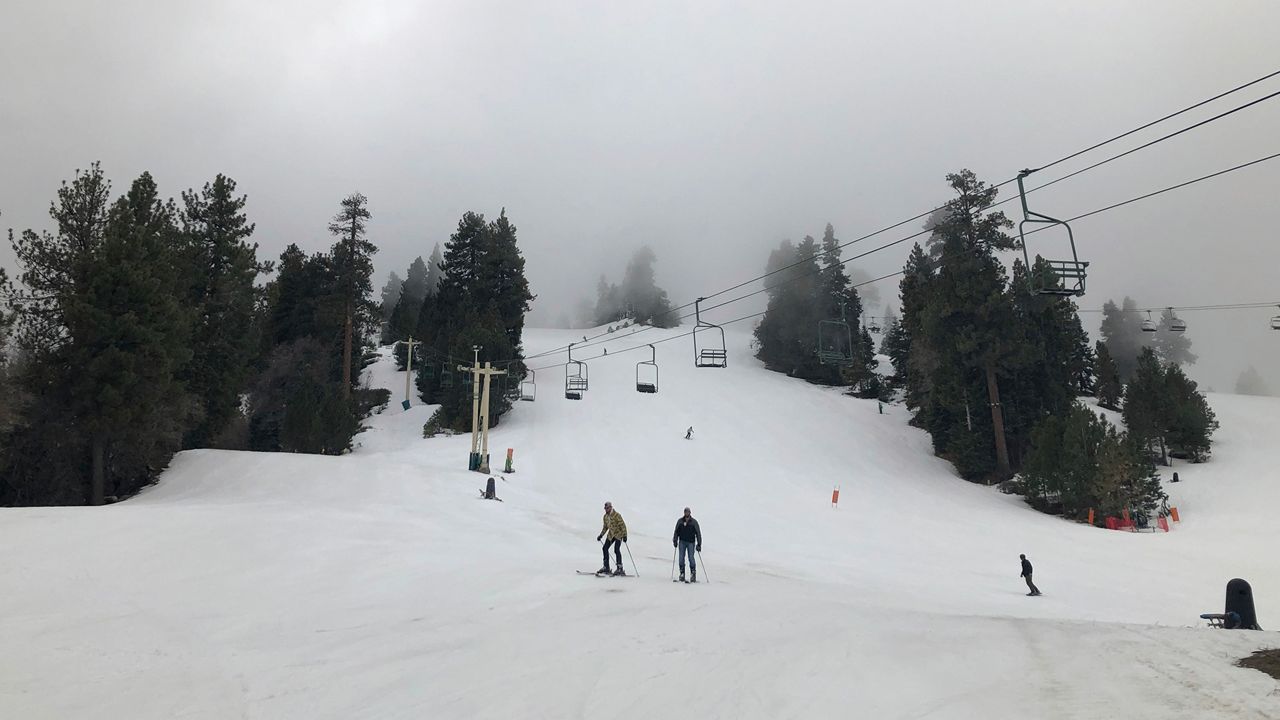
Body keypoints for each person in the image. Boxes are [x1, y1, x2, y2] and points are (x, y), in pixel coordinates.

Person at [596, 501, 628, 575]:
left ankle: (620, 568)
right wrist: (601, 535)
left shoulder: (617, 515)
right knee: (605, 548)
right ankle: (606, 567)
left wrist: (624, 535)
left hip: (618, 535)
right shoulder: (605, 517)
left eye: (607, 508)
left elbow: (623, 525)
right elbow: (605, 527)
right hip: (611, 535)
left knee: (616, 550)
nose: (606, 510)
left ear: (611, 507)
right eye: (605, 508)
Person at [672, 507, 702, 582]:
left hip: (691, 543)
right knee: (681, 558)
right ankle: (682, 573)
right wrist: (675, 540)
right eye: (685, 512)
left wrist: (699, 544)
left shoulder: (694, 522)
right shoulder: (680, 521)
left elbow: (698, 533)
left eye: (688, 512)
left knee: (691, 558)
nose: (686, 513)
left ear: (690, 513)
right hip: (682, 542)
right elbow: (676, 531)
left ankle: (693, 573)